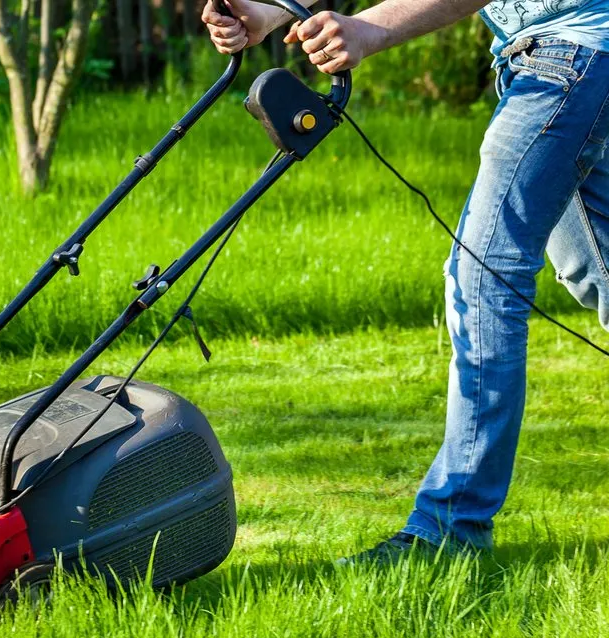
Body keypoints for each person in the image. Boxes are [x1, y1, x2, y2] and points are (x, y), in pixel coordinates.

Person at [203, 0, 609, 564]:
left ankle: (452, 529)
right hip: (551, 58)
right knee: (595, 270)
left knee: (484, 276)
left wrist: (367, 31)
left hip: (576, 53)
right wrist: (268, 11)